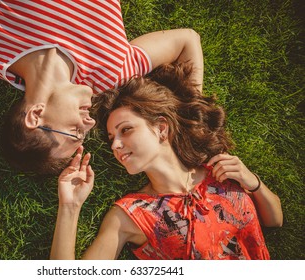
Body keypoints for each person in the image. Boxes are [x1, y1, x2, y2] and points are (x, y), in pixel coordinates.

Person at [50, 62, 283, 260]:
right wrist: (70, 206)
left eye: (126, 130)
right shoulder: (130, 215)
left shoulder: (219, 170)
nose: (115, 145)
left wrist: (252, 182)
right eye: (112, 138)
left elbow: (275, 221)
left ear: (161, 128)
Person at [0, 0, 204, 174]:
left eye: (74, 131)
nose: (89, 123)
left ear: (35, 115)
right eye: (84, 132)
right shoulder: (108, 76)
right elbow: (186, 40)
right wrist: (192, 128)